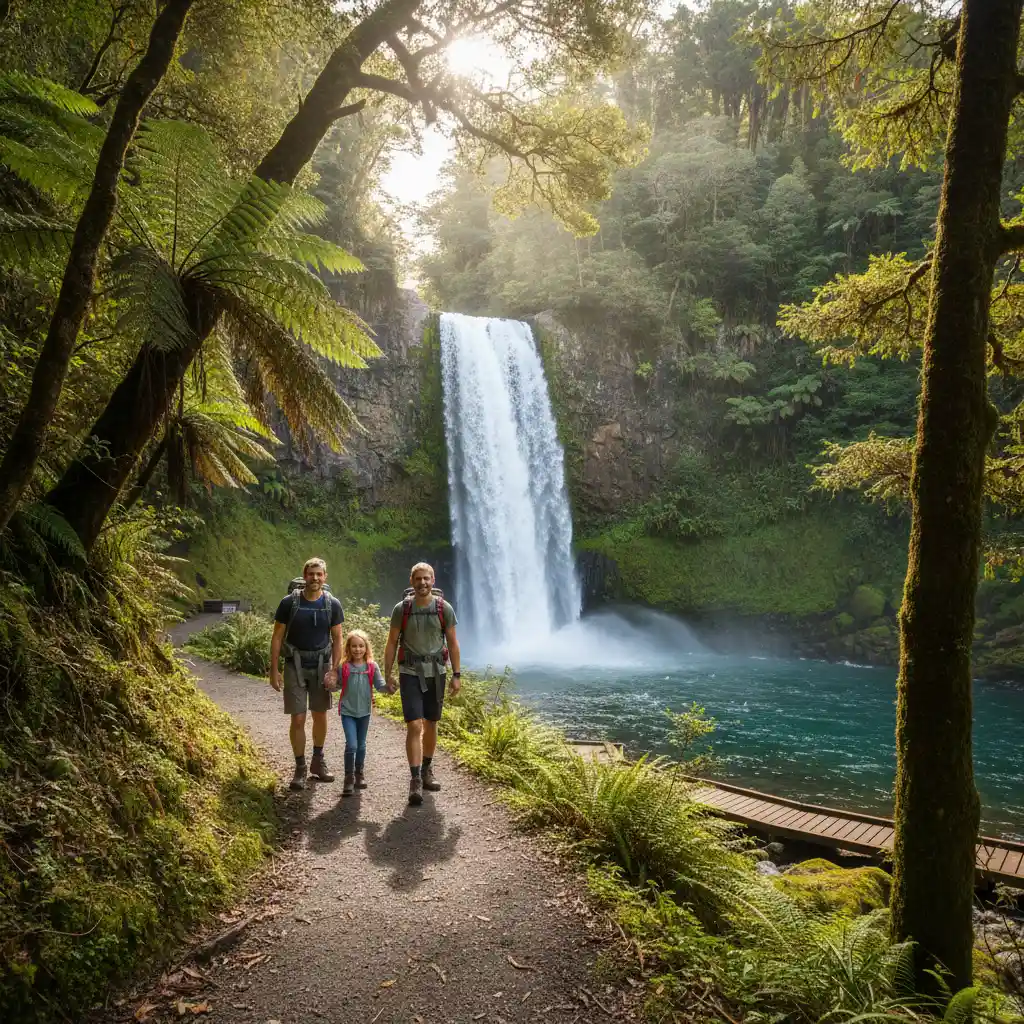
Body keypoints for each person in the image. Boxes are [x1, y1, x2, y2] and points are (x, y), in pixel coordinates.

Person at [383, 562, 461, 806]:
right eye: (418, 579)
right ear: (411, 581)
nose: (423, 583)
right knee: (415, 725)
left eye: (426, 578)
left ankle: (427, 768)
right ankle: (415, 778)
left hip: (437, 672)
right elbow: (391, 642)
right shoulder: (402, 609)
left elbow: (453, 643)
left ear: (433, 580)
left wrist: (457, 674)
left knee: (432, 722)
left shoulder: (444, 608)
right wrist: (388, 674)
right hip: (410, 672)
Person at [269, 557, 344, 791]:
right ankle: (300, 767)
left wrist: (334, 670)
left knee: (320, 715)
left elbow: (338, 638)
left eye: (319, 574)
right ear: (304, 576)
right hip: (294, 665)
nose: (315, 578)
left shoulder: (332, 604)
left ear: (325, 577)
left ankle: (317, 760)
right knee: (298, 718)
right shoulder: (288, 603)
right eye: (311, 574)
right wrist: (273, 670)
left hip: (322, 665)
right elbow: (277, 637)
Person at [337, 629, 387, 796]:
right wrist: (328, 683)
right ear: (348, 648)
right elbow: (336, 685)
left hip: (364, 712)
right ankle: (348, 777)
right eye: (353, 646)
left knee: (361, 744)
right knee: (352, 744)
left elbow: (380, 686)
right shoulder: (344, 667)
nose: (357, 649)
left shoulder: (372, 666)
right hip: (347, 711)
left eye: (361, 646)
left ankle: (359, 774)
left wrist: (391, 687)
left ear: (366, 648)